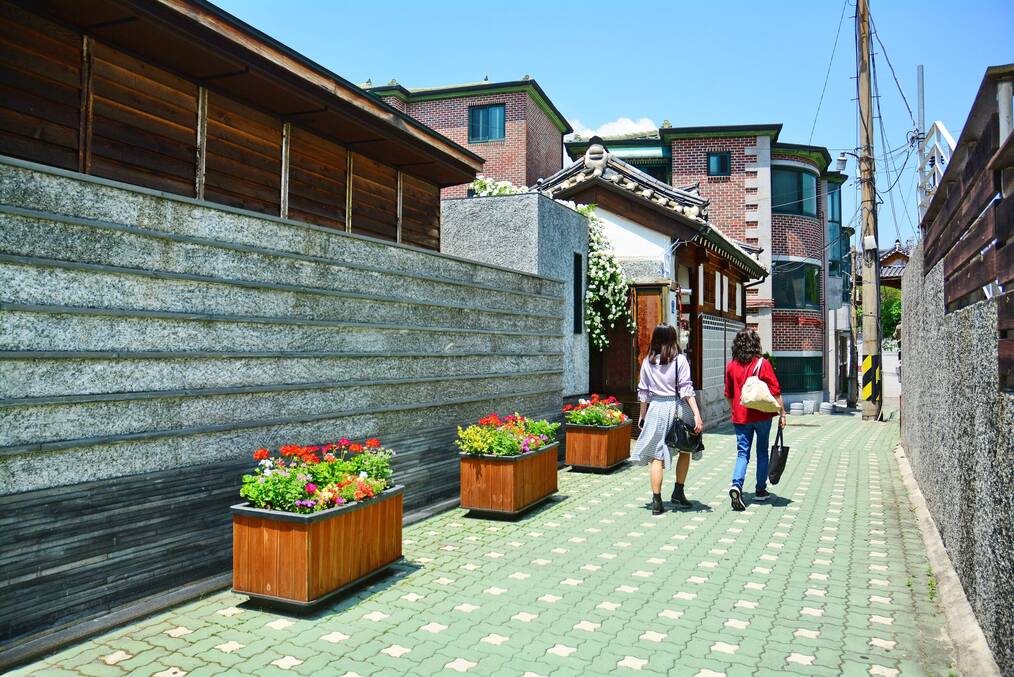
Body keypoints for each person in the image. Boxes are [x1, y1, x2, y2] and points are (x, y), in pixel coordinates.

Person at [632, 324, 703, 515]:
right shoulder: (680, 360)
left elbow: (644, 392)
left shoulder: (647, 362)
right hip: (677, 408)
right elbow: (687, 390)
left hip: (655, 409)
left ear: (655, 339)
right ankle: (678, 491)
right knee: (685, 448)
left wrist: (642, 416)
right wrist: (696, 414)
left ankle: (657, 501)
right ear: (673, 339)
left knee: (656, 456)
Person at [724, 328, 785, 511]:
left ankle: (737, 485)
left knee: (742, 453)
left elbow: (728, 393)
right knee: (762, 451)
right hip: (762, 415)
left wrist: (732, 410)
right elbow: (776, 391)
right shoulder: (763, 364)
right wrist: (782, 413)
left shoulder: (731, 366)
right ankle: (760, 490)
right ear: (755, 344)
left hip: (741, 417)